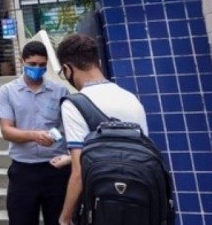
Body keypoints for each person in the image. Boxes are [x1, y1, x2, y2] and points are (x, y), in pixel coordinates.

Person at [56, 34, 148, 225]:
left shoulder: (75, 104)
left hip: (103, 203)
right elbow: (133, 150)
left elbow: (79, 172)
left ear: (67, 69)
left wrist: (65, 218)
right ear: (97, 62)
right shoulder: (130, 97)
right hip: (139, 200)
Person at [0, 41, 71, 225]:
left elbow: (67, 128)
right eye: (32, 65)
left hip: (56, 168)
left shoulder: (60, 91)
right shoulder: (8, 91)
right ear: (22, 62)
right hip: (23, 171)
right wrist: (35, 136)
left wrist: (54, 137)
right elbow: (7, 130)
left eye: (42, 65)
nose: (37, 68)